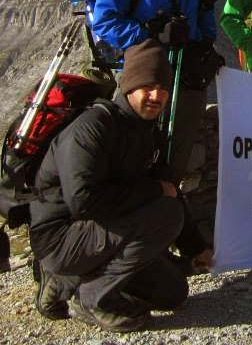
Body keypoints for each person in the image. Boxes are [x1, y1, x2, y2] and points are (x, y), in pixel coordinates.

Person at [29, 40, 213, 332]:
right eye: (148, 87)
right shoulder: (92, 128)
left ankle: (71, 280)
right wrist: (154, 193)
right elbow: (83, 202)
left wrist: (196, 248)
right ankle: (91, 298)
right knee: (165, 214)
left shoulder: (145, 129)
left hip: (100, 233)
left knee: (173, 293)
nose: (156, 95)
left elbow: (168, 188)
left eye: (163, 89)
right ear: (129, 86)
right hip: (61, 237)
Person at [91, 0, 223, 181]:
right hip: (141, 75)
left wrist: (202, 46)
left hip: (183, 76)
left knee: (177, 152)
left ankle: (168, 198)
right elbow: (103, 21)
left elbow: (204, 15)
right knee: (127, 149)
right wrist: (149, 34)